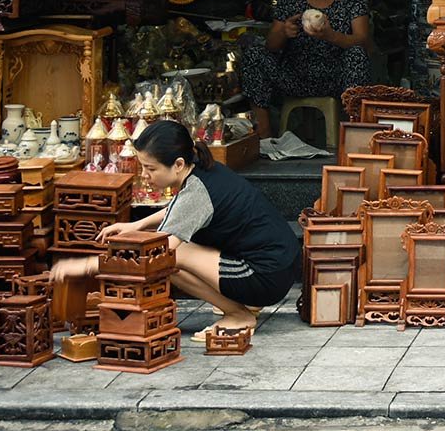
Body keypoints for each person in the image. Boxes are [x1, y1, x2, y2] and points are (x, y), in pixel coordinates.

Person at [51, 120, 301, 338]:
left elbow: (157, 250)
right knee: (165, 248)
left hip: (266, 275)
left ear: (178, 164)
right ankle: (243, 301)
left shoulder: (197, 192)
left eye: (151, 168)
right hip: (278, 266)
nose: (145, 175)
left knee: (167, 257)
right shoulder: (202, 168)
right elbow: (181, 209)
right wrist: (136, 224)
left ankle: (238, 314)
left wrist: (87, 266)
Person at [237, 0, 373, 136]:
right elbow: (271, 45)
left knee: (357, 55)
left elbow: (363, 40)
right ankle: (263, 135)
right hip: (297, 75)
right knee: (254, 55)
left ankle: (354, 134)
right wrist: (284, 31)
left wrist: (331, 36)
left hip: (337, 77)